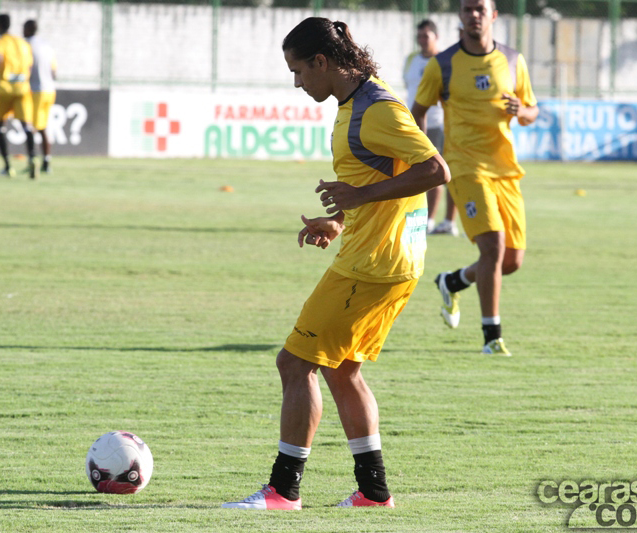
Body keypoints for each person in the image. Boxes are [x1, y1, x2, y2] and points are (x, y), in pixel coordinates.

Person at [222, 17, 449, 511]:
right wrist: (341, 220)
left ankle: (283, 491)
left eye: (299, 70)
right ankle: (373, 492)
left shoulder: (378, 108)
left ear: (322, 61)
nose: (297, 82)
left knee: (295, 363)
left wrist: (358, 198)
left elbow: (436, 169)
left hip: (372, 266)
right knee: (343, 370)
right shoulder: (355, 103)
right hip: (384, 259)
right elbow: (384, 175)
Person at [411, 0, 539, 356]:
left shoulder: (513, 60)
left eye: (480, 9)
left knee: (510, 261)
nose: (474, 15)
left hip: (506, 170)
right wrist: (426, 154)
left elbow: (532, 110)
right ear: (460, 16)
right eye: (467, 9)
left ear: (493, 15)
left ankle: (452, 281)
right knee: (493, 246)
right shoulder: (443, 64)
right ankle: (491, 337)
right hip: (465, 166)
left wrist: (522, 109)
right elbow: (417, 111)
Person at [403, 19, 457, 236]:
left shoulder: (444, 61)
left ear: (436, 37)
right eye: (419, 36)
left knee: (437, 170)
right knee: (413, 171)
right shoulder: (411, 60)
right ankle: (421, 218)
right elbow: (410, 88)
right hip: (413, 123)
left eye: (426, 36)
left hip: (438, 123)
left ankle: (434, 221)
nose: (422, 40)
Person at [0, 14, 36, 178]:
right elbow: (30, 65)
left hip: (4, 88)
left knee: (0, 126)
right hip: (22, 88)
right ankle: (32, 158)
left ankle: (7, 166)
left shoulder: (0, 42)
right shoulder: (23, 43)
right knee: (26, 125)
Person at [23, 19, 57, 174]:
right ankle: (46, 162)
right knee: (42, 127)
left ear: (29, 29)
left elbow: (25, 67)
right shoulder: (47, 45)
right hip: (50, 91)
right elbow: (54, 72)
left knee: (30, 127)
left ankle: (32, 161)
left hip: (36, 90)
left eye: (24, 28)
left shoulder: (26, 45)